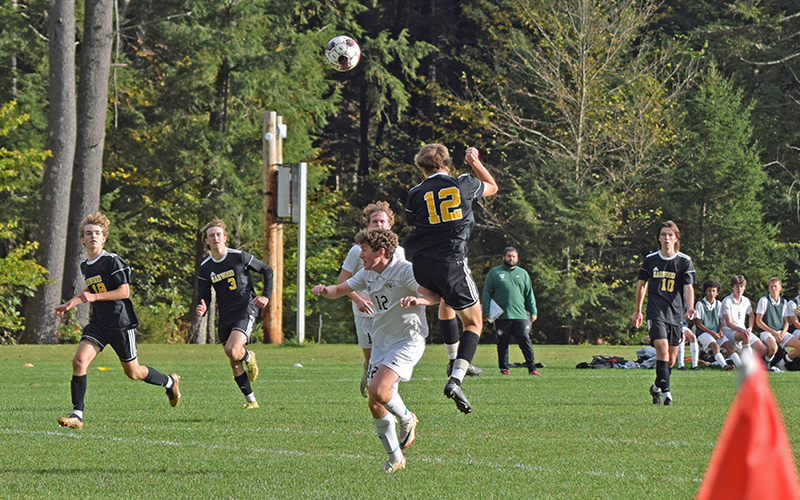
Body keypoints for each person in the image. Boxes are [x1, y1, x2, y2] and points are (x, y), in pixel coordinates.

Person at [312, 228, 439, 473]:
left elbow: (434, 295)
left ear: (381, 252)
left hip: (407, 339)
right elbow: (339, 289)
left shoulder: (405, 270)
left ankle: (406, 417)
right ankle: (395, 458)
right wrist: (324, 291)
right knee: (375, 403)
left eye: (365, 250)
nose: (361, 255)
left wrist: (418, 300)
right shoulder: (367, 274)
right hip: (382, 341)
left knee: (379, 389)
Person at [55, 213, 180, 430]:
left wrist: (94, 297)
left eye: (97, 233)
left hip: (121, 324)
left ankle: (170, 382)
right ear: (82, 239)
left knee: (134, 373)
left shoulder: (112, 260)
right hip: (99, 324)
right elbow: (91, 289)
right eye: (88, 233)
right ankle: (77, 415)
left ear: (104, 238)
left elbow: (124, 291)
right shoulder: (86, 265)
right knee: (78, 362)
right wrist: (70, 304)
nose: (93, 236)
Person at [404, 144, 498, 414]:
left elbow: (417, 221)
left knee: (445, 301)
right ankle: (456, 378)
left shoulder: (414, 193)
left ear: (421, 167)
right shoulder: (464, 183)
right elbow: (491, 186)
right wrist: (475, 161)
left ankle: (451, 358)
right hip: (451, 261)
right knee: (474, 322)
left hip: (421, 262)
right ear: (447, 163)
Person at [195, 218, 273, 409]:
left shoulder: (239, 257)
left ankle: (249, 356)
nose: (215, 238)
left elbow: (267, 270)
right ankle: (252, 402)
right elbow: (204, 296)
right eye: (211, 235)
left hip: (246, 309)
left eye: (218, 234)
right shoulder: (205, 268)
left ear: (225, 238)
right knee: (233, 360)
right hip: (226, 315)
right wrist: (202, 307)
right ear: (206, 240)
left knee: (233, 350)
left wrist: (266, 296)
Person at [338, 202, 406, 397]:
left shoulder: (398, 252)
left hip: (389, 312)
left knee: (389, 355)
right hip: (365, 312)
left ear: (389, 225)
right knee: (371, 356)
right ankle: (368, 372)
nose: (378, 224)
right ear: (368, 225)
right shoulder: (357, 251)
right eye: (374, 221)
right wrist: (358, 300)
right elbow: (342, 281)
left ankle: (386, 394)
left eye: (382, 221)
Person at [631, 221, 696, 406]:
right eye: (663, 234)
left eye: (670, 235)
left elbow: (688, 287)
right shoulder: (651, 259)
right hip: (655, 312)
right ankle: (667, 394)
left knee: (671, 360)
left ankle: (656, 387)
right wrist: (638, 311)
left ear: (676, 238)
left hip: (675, 314)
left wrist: (690, 307)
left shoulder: (684, 261)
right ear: (658, 237)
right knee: (662, 350)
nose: (667, 238)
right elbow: (641, 285)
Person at [481, 246, 540, 375]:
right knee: (503, 342)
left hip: (520, 315)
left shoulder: (523, 273)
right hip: (502, 316)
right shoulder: (494, 273)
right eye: (508, 256)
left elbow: (529, 294)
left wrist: (533, 311)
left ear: (517, 258)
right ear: (503, 257)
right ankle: (504, 368)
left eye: (513, 256)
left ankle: (532, 367)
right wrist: (486, 312)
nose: (511, 258)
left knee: (525, 339)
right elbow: (486, 293)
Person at [693, 278, 740, 370]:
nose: (711, 293)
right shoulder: (700, 304)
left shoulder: (718, 304)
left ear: (717, 292)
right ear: (705, 292)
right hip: (703, 332)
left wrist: (720, 331)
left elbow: (720, 321)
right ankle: (724, 365)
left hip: (716, 332)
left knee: (729, 345)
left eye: (713, 291)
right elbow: (698, 324)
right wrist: (712, 333)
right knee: (715, 346)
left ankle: (741, 366)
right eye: (709, 291)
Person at [755, 277, 800, 370]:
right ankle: (767, 364)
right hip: (766, 332)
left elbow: (786, 322)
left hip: (780, 332)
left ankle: (781, 363)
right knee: (773, 348)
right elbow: (758, 321)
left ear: (780, 288)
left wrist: (783, 333)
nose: (773, 289)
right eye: (771, 287)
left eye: (775, 286)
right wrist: (774, 333)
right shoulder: (763, 300)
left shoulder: (784, 302)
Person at [720, 275, 767, 360]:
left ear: (744, 288)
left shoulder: (746, 300)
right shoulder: (727, 301)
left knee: (763, 349)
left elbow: (751, 316)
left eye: (741, 287)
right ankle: (747, 365)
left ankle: (743, 360)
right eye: (737, 287)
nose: (739, 289)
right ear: (732, 287)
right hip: (729, 331)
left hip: (743, 331)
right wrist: (742, 330)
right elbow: (729, 323)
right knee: (745, 336)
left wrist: (750, 328)